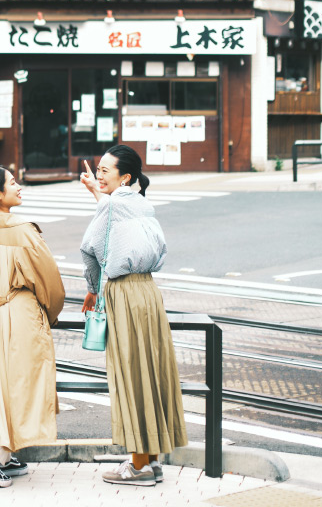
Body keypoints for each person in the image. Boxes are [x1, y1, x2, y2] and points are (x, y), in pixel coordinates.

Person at [78, 144, 186, 487]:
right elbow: (117, 224)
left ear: (125, 176)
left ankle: (138, 466)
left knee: (131, 373)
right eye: (98, 169)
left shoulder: (111, 207)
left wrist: (93, 288)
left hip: (122, 293)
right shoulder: (141, 203)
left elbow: (90, 249)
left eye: (105, 171)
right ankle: (151, 460)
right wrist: (99, 193)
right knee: (151, 370)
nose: (99, 174)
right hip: (148, 293)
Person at [0, 165, 65, 488]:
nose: (18, 186)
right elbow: (50, 283)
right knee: (19, 385)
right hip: (16, 315)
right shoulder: (23, 232)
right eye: (12, 182)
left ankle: (3, 455)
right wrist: (48, 314)